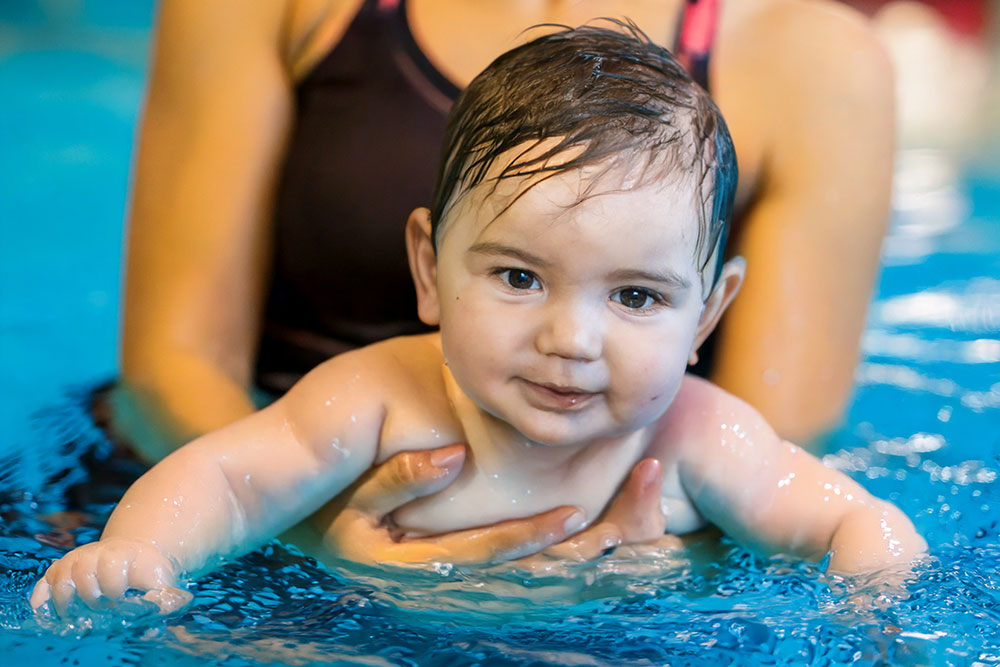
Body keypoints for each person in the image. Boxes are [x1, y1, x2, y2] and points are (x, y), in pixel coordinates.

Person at [34, 25, 923, 618]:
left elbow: (853, 521)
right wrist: (139, 552)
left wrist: (873, 608)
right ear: (428, 267)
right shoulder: (377, 397)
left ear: (708, 312)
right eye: (518, 276)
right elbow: (226, 481)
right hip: (339, 610)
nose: (570, 339)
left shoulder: (705, 437)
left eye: (636, 296)